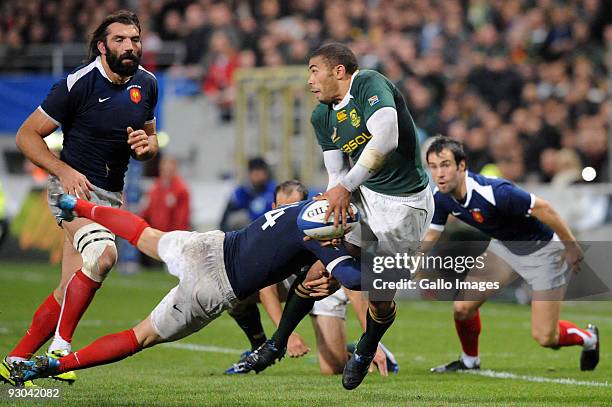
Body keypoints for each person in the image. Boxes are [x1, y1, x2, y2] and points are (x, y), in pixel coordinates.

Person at [11, 193, 376, 389]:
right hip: (213, 287)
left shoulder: (310, 203)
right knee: (140, 336)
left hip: (209, 246)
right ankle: (53, 366)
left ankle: (81, 207)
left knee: (144, 234)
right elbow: (354, 279)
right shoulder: (322, 239)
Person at [240, 43, 434, 390]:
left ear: (339, 71)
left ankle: (366, 348)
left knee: (380, 297)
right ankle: (276, 343)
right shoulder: (322, 116)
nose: (310, 80)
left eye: (314, 70)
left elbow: (386, 138)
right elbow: (334, 176)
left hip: (406, 206)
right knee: (318, 271)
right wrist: (335, 215)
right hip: (365, 194)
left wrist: (345, 187)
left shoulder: (369, 84)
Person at [1, 10, 158, 387]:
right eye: (120, 40)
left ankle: (15, 360)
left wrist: (145, 148)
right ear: (102, 46)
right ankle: (59, 351)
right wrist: (62, 171)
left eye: (134, 39)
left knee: (70, 285)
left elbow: (149, 142)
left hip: (111, 196)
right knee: (104, 255)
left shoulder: (148, 84)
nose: (129, 46)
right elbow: (26, 136)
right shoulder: (77, 84)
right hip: (71, 189)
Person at [424, 136, 599, 372]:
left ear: (461, 166)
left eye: (445, 165)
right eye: (433, 167)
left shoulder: (495, 191)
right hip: (505, 248)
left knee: (546, 337)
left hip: (544, 251)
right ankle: (469, 361)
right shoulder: (441, 197)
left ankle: (589, 338)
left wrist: (570, 246)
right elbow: (432, 234)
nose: (439, 173)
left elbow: (545, 208)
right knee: (462, 308)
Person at [225, 180, 398, 376]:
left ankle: (355, 349)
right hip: (290, 284)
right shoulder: (267, 233)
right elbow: (267, 289)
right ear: (274, 208)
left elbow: (354, 290)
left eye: (295, 206)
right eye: (284, 207)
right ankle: (258, 345)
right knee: (233, 294)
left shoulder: (322, 228)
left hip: (321, 288)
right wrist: (285, 337)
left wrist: (372, 341)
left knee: (333, 368)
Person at [219, 157, 276, 231]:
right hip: (248, 232)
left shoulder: (274, 190)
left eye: (262, 172)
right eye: (256, 173)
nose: (259, 176)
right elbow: (226, 220)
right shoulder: (241, 192)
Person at [141, 156, 190, 232]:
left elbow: (182, 218)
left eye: (169, 170)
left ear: (174, 170)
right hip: (155, 232)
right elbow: (147, 209)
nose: (166, 173)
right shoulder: (155, 187)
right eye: (164, 170)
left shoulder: (181, 190)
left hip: (171, 234)